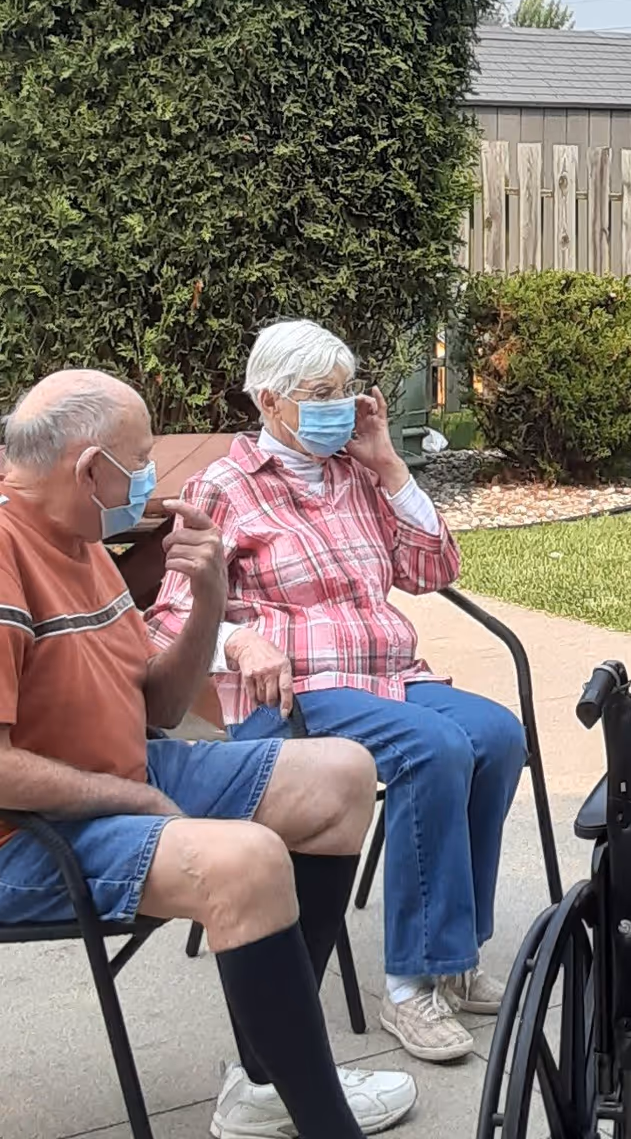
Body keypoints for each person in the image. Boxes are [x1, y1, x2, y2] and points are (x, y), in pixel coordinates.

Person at [0, 370, 417, 1139]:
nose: (150, 480)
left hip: (123, 774)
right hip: (30, 836)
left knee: (342, 775)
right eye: (139, 459)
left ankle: (266, 1082)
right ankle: (324, 1118)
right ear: (91, 469)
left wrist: (211, 598)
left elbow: (157, 707)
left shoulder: (81, 535)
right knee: (245, 863)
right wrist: (134, 799)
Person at [145, 321, 525, 1064]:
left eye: (345, 391)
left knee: (496, 735)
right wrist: (239, 637)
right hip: (294, 690)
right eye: (319, 395)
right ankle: (413, 985)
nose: (339, 407)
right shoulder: (225, 486)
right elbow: (169, 614)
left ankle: (455, 959)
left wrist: (389, 465)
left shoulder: (355, 473)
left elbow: (432, 569)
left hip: (390, 677)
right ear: (269, 400)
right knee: (434, 748)